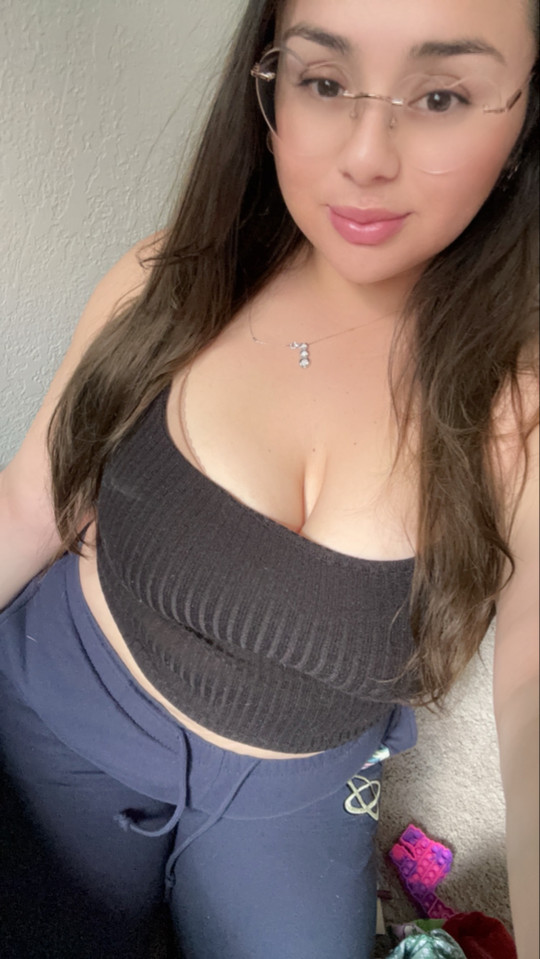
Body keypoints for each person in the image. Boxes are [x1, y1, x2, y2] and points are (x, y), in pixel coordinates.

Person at [0, 0, 538, 957]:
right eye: (325, 82)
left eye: (441, 96)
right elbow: (28, 506)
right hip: (64, 704)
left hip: (300, 785)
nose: (365, 155)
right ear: (271, 84)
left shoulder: (519, 408)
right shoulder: (163, 281)